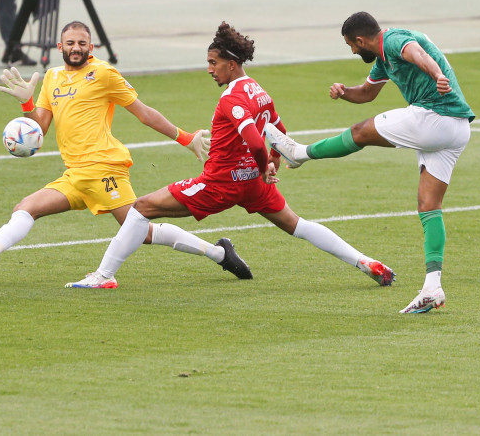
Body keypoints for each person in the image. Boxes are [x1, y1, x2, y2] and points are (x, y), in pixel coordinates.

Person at [66, 22, 395, 290]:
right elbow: (277, 129)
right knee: (298, 225)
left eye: (213, 63)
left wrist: (265, 160)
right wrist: (271, 163)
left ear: (231, 63)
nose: (209, 70)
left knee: (140, 209)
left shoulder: (232, 99)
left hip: (220, 182)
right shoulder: (259, 90)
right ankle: (365, 262)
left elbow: (254, 136)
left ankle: (104, 276)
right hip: (253, 183)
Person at [0, 20, 254, 283]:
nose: (76, 47)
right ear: (59, 48)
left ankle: (217, 253)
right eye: (70, 42)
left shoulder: (104, 74)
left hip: (105, 169)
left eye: (82, 43)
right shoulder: (52, 78)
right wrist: (26, 103)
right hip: (74, 175)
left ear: (92, 47)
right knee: (26, 207)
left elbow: (144, 113)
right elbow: (40, 129)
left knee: (140, 229)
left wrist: (185, 137)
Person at [265, 11, 474, 315]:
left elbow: (416, 53)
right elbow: (366, 93)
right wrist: (344, 92)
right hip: (455, 129)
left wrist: (437, 74)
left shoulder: (393, 41)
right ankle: (433, 287)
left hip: (435, 116)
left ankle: (299, 153)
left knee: (360, 132)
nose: (352, 51)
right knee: (429, 206)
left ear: (360, 40)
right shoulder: (383, 58)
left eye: (351, 45)